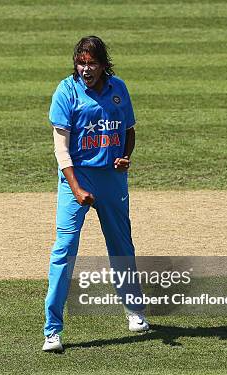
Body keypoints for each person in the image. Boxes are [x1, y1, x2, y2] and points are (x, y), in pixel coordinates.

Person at [43, 36, 149, 352]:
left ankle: (134, 310)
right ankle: (52, 329)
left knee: (121, 245)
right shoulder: (66, 91)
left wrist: (125, 156)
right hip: (77, 177)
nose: (86, 69)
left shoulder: (118, 89)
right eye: (81, 63)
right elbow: (61, 149)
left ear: (103, 64)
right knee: (64, 249)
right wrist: (76, 189)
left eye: (92, 63)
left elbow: (128, 131)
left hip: (112, 179)